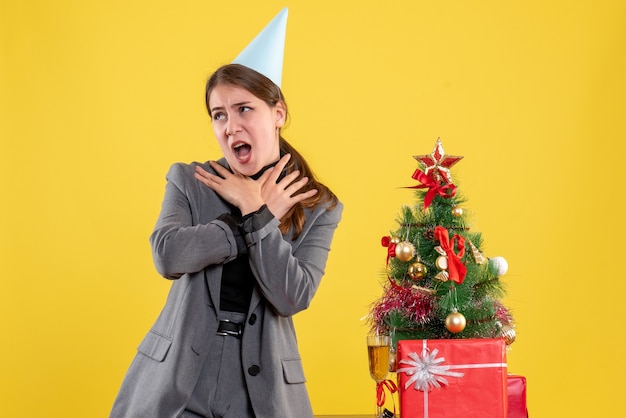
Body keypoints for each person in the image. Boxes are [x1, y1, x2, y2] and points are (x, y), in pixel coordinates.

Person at [109, 17, 342, 418]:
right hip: (179, 377)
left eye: (243, 109)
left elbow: (293, 296)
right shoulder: (191, 179)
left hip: (261, 387)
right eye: (219, 115)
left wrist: (258, 211)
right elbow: (167, 255)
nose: (230, 126)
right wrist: (241, 226)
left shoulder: (317, 205)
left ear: (278, 113)